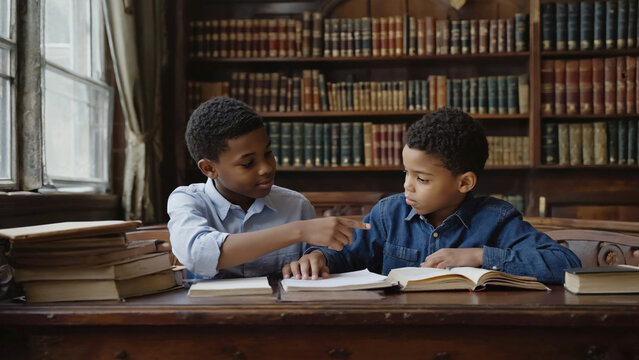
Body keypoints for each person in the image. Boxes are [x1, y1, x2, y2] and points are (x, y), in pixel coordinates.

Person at [283, 107, 581, 284]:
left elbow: (565, 263)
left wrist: (479, 256)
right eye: (406, 173)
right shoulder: (389, 214)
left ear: (464, 183)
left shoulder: (497, 220)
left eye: (421, 178)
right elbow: (346, 253)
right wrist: (318, 256)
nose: (407, 187)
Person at [167, 97, 369, 279]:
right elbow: (199, 256)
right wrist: (298, 231)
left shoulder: (296, 205)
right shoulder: (187, 200)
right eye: (248, 163)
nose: (266, 168)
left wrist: (317, 258)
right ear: (209, 168)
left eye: (268, 153)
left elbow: (320, 258)